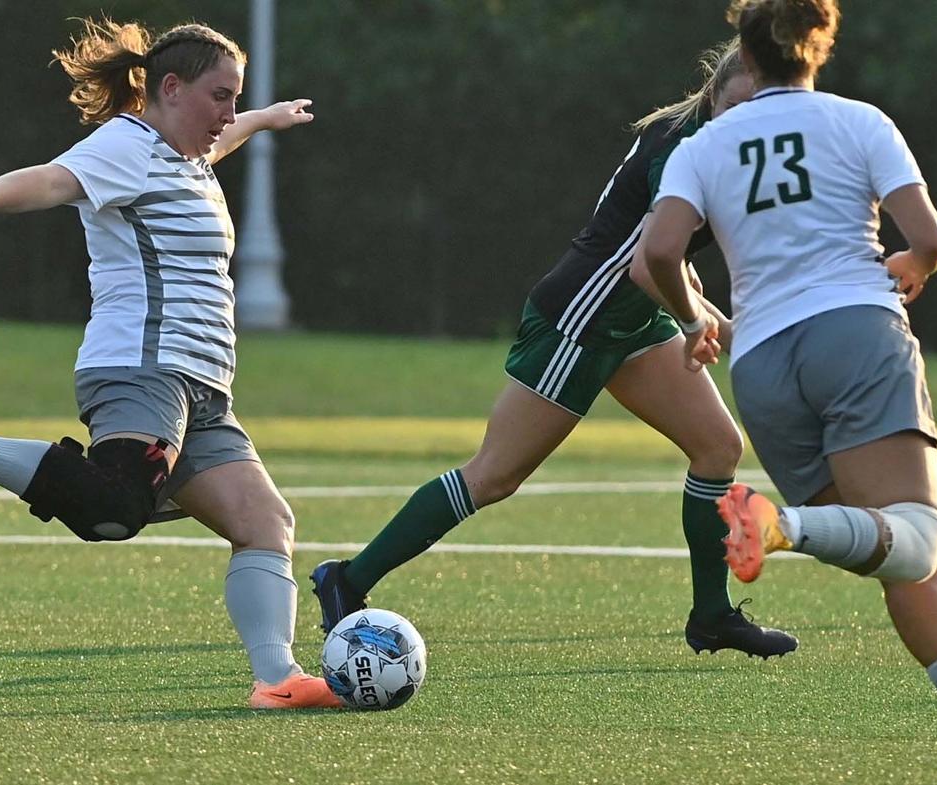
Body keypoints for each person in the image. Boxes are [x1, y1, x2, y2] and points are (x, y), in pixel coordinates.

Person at [642, 2, 937, 782]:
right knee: (915, 535)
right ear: (820, 48)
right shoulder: (861, 120)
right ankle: (780, 524)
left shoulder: (703, 144)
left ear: (746, 52)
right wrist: (918, 266)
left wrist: (695, 318)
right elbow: (929, 235)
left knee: (901, 558)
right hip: (855, 336)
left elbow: (659, 252)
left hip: (764, 366)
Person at [0, 18, 342, 710]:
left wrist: (264, 118)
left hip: (203, 387)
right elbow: (52, 180)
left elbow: (224, 134)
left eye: (234, 98)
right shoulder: (127, 144)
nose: (227, 113)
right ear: (170, 87)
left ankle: (278, 679)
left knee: (264, 523)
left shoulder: (188, 154)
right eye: (220, 96)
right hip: (142, 366)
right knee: (111, 509)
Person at [311, 40, 799, 660]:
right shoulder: (688, 146)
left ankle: (711, 617)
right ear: (715, 94)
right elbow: (652, 267)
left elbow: (664, 257)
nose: (742, 121)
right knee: (493, 477)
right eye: (735, 105)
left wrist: (713, 319)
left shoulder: (717, 145)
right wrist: (704, 326)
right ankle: (346, 579)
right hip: (580, 322)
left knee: (718, 448)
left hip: (631, 320)